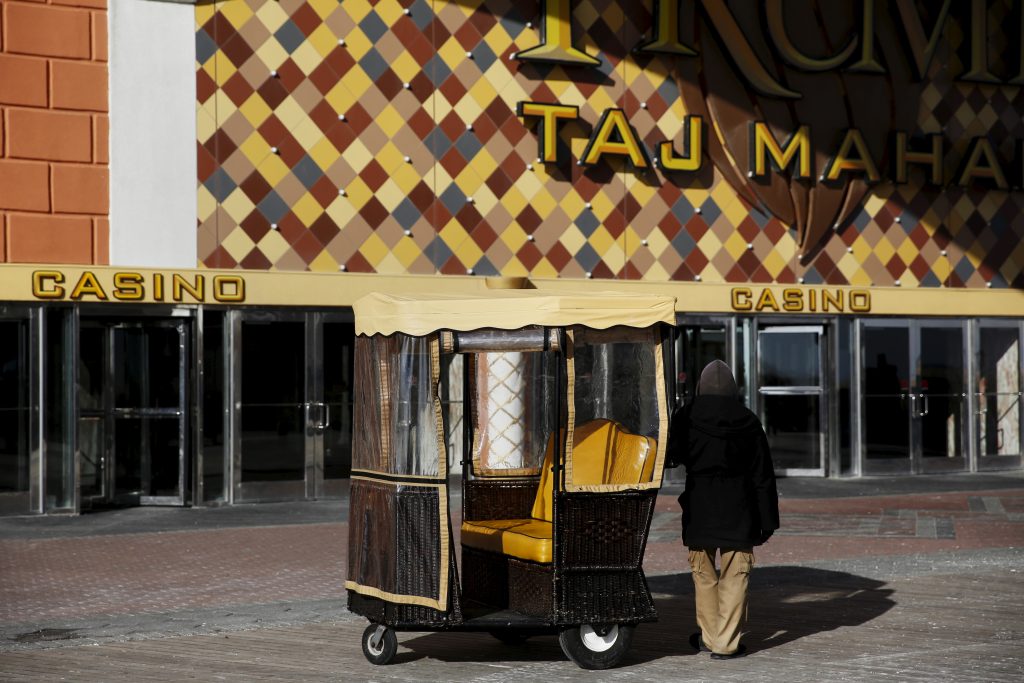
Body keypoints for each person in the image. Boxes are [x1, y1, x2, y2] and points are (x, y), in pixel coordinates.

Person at [666, 359, 779, 660]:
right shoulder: (750, 421)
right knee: (735, 575)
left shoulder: (686, 416)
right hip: (739, 508)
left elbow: (672, 455)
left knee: (703, 575)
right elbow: (762, 475)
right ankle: (726, 643)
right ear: (733, 389)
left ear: (700, 387)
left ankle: (709, 636)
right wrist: (767, 521)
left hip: (700, 505)